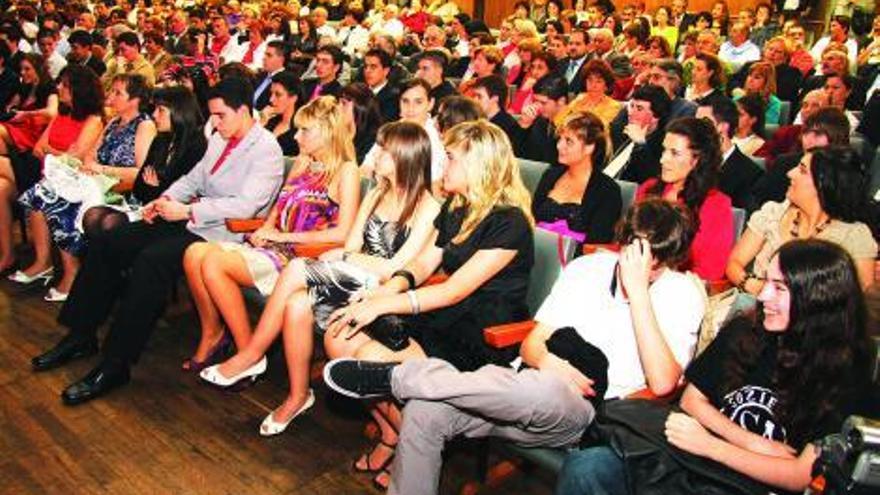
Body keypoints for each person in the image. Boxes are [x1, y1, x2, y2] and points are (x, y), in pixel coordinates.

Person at [321, 198, 707, 495]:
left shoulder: (683, 293)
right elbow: (532, 342)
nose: (635, 265)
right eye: (630, 252)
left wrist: (639, 291)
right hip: (519, 389)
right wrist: (546, 361)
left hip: (588, 413)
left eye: (650, 262)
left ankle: (401, 377)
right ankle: (413, 383)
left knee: (548, 387)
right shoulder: (587, 270)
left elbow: (662, 384)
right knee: (426, 411)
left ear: (669, 261)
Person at [29, 77, 285, 406]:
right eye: (213, 116)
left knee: (151, 261)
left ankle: (116, 363)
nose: (215, 122)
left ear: (244, 110)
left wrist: (188, 210)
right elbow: (193, 179)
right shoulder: (221, 138)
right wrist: (162, 200)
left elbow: (247, 206)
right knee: (112, 239)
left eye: (221, 115)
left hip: (222, 234)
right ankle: (81, 334)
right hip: (191, 219)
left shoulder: (266, 150)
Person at [558, 239, 878, 495]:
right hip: (691, 456)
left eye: (780, 288)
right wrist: (751, 442)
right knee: (587, 468)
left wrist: (714, 446)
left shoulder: (847, 370)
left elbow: (798, 475)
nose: (763, 294)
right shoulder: (747, 330)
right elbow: (691, 399)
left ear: (817, 299)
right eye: (767, 281)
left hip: (749, 481)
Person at [317, 120, 534, 489]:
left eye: (450, 158)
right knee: (338, 338)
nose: (442, 166)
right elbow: (422, 265)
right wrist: (386, 290)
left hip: (480, 335)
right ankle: (396, 434)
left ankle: (413, 445)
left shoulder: (509, 223)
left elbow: (455, 291)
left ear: (478, 165)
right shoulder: (458, 206)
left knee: (367, 358)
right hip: (444, 317)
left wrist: (386, 305)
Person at [200, 122, 439, 451]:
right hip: (354, 277)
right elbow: (353, 244)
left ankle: (254, 353)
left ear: (404, 157)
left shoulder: (428, 207)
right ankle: (297, 395)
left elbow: (398, 269)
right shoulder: (378, 193)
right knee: (297, 305)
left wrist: (349, 259)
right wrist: (347, 258)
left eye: (384, 150)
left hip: (381, 293)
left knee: (298, 267)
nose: (377, 153)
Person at [182, 95, 360, 372]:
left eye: (305, 130)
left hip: (303, 260)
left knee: (214, 262)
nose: (297, 137)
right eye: (298, 129)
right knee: (194, 254)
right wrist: (265, 228)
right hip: (274, 248)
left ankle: (247, 353)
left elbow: (343, 234)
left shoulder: (345, 171)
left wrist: (282, 237)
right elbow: (277, 209)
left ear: (327, 132)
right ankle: (214, 335)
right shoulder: (303, 163)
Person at [15, 74, 155, 301]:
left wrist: (101, 169)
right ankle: (44, 262)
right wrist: (91, 166)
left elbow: (140, 172)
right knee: (41, 194)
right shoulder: (113, 123)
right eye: (112, 91)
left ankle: (72, 271)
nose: (111, 96)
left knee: (61, 202)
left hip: (124, 191)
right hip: (97, 182)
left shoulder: (144, 125)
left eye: (118, 93)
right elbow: (90, 155)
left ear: (135, 99)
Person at [728, 146, 877, 295]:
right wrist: (754, 285)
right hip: (758, 305)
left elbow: (862, 300)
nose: (790, 173)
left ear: (823, 184)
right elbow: (733, 263)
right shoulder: (773, 213)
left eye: (802, 170)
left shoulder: (853, 236)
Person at [2, 65, 104, 280]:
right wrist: (54, 152)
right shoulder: (62, 114)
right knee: (0, 188)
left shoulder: (93, 120)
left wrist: (50, 152)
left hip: (60, 178)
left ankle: (40, 262)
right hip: (40, 170)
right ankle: (10, 255)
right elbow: (38, 147)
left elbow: (73, 160)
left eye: (64, 84)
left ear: (78, 89)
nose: (58, 87)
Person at [80, 86, 207, 239]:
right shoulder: (162, 140)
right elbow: (139, 187)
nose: (154, 115)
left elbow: (182, 196)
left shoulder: (196, 146)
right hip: (143, 207)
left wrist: (156, 187)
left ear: (178, 112)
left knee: (106, 223)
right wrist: (155, 187)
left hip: (171, 219)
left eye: (161, 110)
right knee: (92, 216)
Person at [636, 117, 734, 281]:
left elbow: (711, 271)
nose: (663, 160)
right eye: (664, 150)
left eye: (675, 153)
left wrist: (661, 278)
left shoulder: (716, 205)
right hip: (635, 278)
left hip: (680, 290)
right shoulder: (648, 189)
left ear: (697, 160)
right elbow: (628, 243)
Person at [533, 112, 621, 243]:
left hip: (577, 260)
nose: (559, 146)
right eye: (560, 139)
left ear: (589, 148)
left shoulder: (607, 191)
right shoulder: (551, 175)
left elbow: (596, 243)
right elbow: (532, 217)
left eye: (568, 141)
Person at [695, 97, 764, 209]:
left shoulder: (751, 174)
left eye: (704, 122)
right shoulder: (690, 161)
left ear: (723, 126)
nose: (696, 128)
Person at [0, 53, 58, 157]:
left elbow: (52, 112)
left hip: (35, 133)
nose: (22, 72)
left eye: (27, 69)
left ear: (38, 69)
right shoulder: (26, 86)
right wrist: (11, 109)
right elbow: (12, 105)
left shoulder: (50, 87)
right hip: (19, 127)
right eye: (21, 69)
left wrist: (26, 114)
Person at [516, 75, 568, 164]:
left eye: (543, 103)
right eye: (536, 101)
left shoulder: (573, 126)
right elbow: (519, 155)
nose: (538, 107)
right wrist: (524, 127)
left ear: (561, 101)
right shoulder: (539, 121)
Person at [556, 59, 622, 127]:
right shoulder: (580, 98)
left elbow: (599, 128)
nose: (593, 85)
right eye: (590, 80)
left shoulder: (614, 106)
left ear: (606, 85)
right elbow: (559, 121)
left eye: (598, 81)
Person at [339, 83, 384, 165]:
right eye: (338, 102)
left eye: (344, 103)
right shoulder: (337, 131)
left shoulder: (374, 142)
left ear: (359, 107)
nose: (338, 107)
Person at [261, 71, 300, 156]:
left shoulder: (299, 132)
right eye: (271, 94)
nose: (271, 99)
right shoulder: (270, 121)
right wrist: (262, 123)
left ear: (293, 98)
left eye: (278, 95)